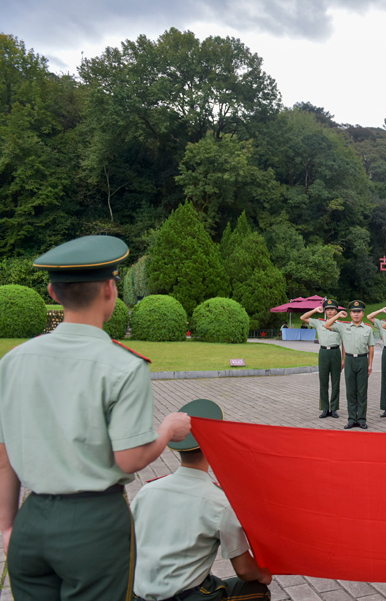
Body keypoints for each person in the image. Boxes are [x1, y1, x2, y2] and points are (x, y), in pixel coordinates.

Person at [0, 235, 191, 601]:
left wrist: (9, 527)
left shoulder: (13, 360)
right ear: (109, 289)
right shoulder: (123, 365)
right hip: (94, 524)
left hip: (31, 518)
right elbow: (130, 458)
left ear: (54, 294)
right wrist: (167, 430)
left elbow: (3, 455)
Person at [131, 399, 271, 601]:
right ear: (215, 444)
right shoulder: (219, 502)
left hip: (139, 595)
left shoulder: (147, 490)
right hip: (183, 597)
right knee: (256, 590)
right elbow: (243, 570)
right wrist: (262, 574)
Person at [325, 301, 375, 429]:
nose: (356, 314)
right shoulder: (343, 326)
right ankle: (352, 419)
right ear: (350, 314)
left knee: (362, 391)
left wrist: (370, 364)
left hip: (363, 360)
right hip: (349, 361)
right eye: (353, 312)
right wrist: (338, 316)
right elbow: (327, 324)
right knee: (351, 391)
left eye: (358, 312)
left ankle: (362, 419)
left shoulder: (368, 329)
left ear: (363, 313)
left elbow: (371, 348)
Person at [300, 298, 344, 419]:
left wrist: (344, 359)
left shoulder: (341, 325)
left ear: (336, 311)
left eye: (332, 309)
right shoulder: (319, 322)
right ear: (325, 311)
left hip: (335, 352)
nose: (330, 311)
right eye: (327, 309)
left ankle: (334, 408)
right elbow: (303, 318)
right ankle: (325, 408)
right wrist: (315, 310)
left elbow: (344, 343)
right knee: (323, 381)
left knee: (335, 382)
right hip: (324, 352)